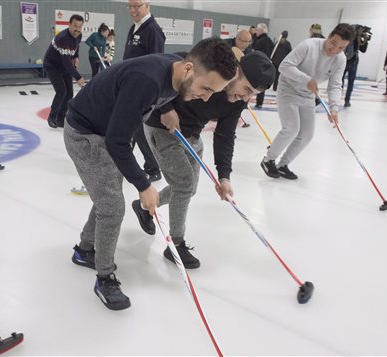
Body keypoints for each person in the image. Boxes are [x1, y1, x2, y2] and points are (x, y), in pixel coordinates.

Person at [65, 38, 238, 311]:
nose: (206, 97)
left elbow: (131, 120)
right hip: (86, 134)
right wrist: (144, 185)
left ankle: (85, 249)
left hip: (106, 130)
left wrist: (164, 109)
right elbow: (117, 142)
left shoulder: (178, 69)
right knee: (112, 206)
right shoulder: (146, 80)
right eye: (205, 88)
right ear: (189, 69)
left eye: (212, 93)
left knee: (107, 196)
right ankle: (104, 277)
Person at [133, 51, 275, 268]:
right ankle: (176, 245)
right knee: (183, 185)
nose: (246, 98)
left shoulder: (237, 102)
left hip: (191, 133)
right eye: (246, 89)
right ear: (235, 72)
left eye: (252, 94)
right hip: (162, 127)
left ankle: (144, 208)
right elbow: (167, 70)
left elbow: (225, 135)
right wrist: (166, 108)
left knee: (189, 189)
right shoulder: (210, 69)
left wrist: (224, 176)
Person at [261, 23, 354, 180]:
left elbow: (335, 85)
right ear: (330, 35)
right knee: (291, 128)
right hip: (288, 88)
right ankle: (268, 159)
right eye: (333, 43)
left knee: (307, 134)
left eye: (341, 48)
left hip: (308, 94)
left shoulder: (340, 59)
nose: (335, 50)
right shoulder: (309, 45)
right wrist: (306, 80)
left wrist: (334, 108)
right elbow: (284, 66)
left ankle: (283, 165)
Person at [124, 0, 166, 182]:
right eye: (130, 6)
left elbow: (157, 65)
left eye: (137, 6)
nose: (133, 10)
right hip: (129, 88)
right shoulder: (135, 28)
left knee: (137, 130)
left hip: (141, 92)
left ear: (147, 5)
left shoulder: (153, 30)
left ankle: (153, 167)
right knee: (128, 129)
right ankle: (124, 163)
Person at [43, 14, 85, 129]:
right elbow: (67, 63)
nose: (77, 29)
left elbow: (76, 47)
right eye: (75, 26)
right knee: (61, 91)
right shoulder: (63, 38)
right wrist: (78, 77)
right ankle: (52, 117)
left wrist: (76, 57)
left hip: (64, 67)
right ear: (69, 24)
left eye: (80, 27)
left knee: (69, 93)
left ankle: (61, 119)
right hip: (52, 66)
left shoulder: (79, 35)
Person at [341, 25, 369, 107]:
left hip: (353, 62)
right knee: (340, 81)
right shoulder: (347, 37)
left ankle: (347, 100)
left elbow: (363, 50)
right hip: (344, 61)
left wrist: (365, 40)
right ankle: (337, 97)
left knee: (350, 82)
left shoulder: (358, 39)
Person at [251, 23, 273, 109]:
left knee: (251, 83)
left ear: (261, 30)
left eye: (257, 30)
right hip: (266, 65)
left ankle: (245, 102)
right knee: (262, 85)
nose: (256, 31)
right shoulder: (269, 41)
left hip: (257, 65)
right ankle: (259, 102)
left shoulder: (259, 41)